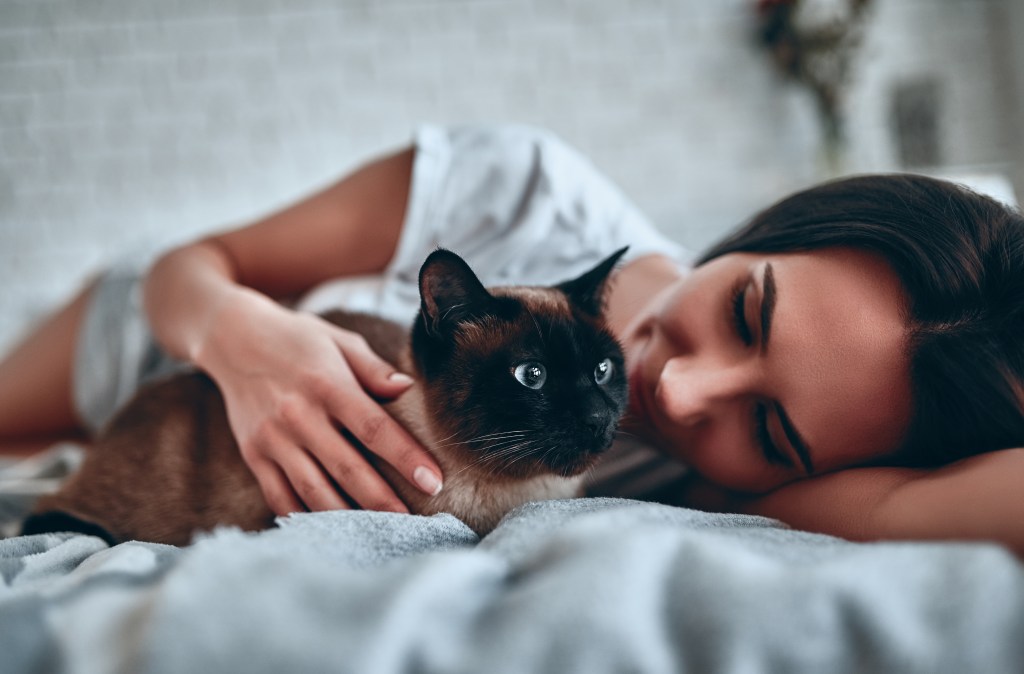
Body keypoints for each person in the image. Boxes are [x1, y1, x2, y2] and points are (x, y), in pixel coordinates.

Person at [2, 124, 1023, 554]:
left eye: (769, 427)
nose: (677, 389)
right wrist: (247, 342)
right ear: (777, 225)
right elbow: (197, 261)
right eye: (747, 311)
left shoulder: (739, 494)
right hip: (155, 335)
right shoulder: (529, 188)